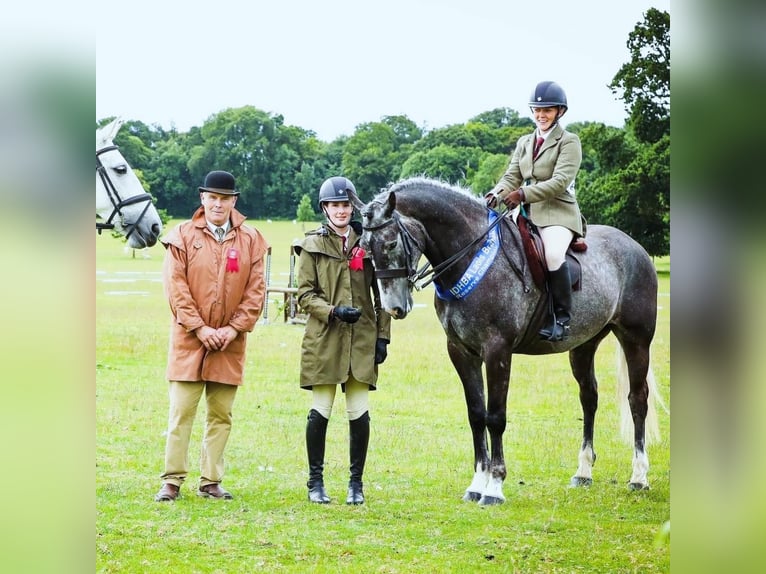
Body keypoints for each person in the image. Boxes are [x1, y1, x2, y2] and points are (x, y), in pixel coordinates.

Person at [154, 170, 270, 502]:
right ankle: (172, 480)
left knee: (221, 414)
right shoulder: (181, 236)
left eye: (225, 198)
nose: (218, 204)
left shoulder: (251, 239)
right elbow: (176, 290)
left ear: (234, 201)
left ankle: (211, 481)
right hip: (189, 340)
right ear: (202, 199)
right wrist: (201, 328)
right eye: (212, 198)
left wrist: (232, 329)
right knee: (181, 413)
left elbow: (255, 291)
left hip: (230, 344)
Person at [293, 176, 391, 505]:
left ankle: (356, 485)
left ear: (353, 207)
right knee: (321, 409)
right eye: (335, 205)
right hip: (325, 338)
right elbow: (305, 295)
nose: (341, 211)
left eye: (346, 205)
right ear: (325, 208)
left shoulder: (369, 244)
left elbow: (384, 295)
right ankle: (315, 483)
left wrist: (383, 337)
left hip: (362, 338)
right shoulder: (311, 246)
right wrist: (333, 311)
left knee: (358, 411)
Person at [485, 80, 584, 342]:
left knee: (552, 254)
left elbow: (560, 182)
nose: (541, 115)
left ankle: (561, 319)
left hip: (558, 213)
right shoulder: (525, 142)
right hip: (525, 212)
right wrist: (496, 194)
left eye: (547, 110)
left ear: (559, 112)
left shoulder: (569, 141)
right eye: (537, 110)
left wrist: (524, 194)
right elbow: (511, 176)